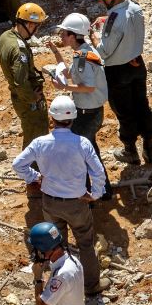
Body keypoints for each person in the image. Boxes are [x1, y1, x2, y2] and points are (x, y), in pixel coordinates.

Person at [13, 96, 111, 295]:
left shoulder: (40, 143)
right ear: (73, 119)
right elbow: (98, 172)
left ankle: (63, 287)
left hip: (50, 203)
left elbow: (18, 165)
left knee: (58, 246)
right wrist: (95, 194)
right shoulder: (82, 143)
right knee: (85, 244)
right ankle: (91, 286)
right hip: (77, 204)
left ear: (52, 119)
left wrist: (35, 177)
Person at [91, 0, 152, 165]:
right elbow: (127, 27)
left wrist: (94, 37)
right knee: (142, 105)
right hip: (137, 64)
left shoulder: (114, 18)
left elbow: (104, 51)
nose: (102, 1)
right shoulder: (135, 8)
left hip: (118, 71)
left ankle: (130, 151)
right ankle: (149, 149)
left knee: (124, 112)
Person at [48, 13, 111, 200]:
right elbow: (70, 74)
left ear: (73, 35)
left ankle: (90, 193)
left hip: (87, 116)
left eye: (64, 33)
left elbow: (88, 87)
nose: (61, 36)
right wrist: (56, 53)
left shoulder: (82, 56)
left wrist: (64, 87)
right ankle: (103, 190)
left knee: (83, 155)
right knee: (91, 151)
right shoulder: (84, 52)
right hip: (90, 112)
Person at [0, 2, 50, 148]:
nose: (36, 30)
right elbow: (20, 81)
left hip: (19, 97)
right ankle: (33, 163)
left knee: (31, 134)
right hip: (28, 100)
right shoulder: (19, 50)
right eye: (36, 26)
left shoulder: (5, 37)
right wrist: (33, 98)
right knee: (37, 138)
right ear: (29, 24)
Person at [28, 222, 86, 305]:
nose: (35, 252)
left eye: (37, 249)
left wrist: (38, 278)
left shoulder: (62, 275)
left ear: (46, 250)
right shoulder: (73, 260)